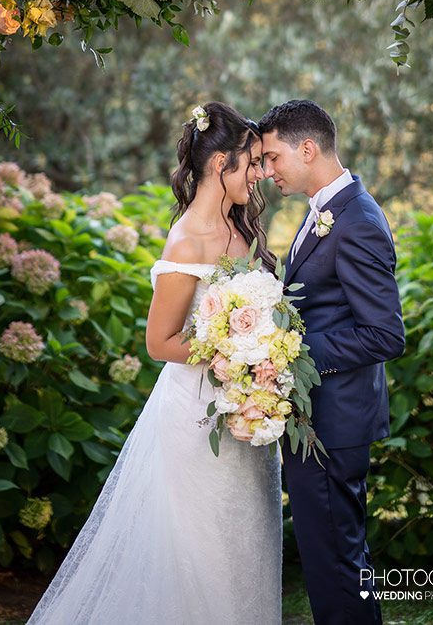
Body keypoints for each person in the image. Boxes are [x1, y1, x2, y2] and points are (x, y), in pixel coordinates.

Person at [26, 102, 281, 625]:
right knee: (200, 553)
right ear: (221, 164)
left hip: (245, 411)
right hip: (196, 419)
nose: (260, 174)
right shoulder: (186, 240)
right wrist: (232, 351)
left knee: (245, 542)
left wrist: (265, 357)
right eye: (253, 162)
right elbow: (159, 342)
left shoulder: (241, 227)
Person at [258, 99, 406, 625]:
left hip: (333, 422)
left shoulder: (357, 220)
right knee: (333, 558)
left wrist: (290, 354)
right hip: (318, 417)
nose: (267, 170)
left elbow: (385, 334)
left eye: (273, 158)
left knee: (337, 562)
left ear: (307, 148)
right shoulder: (325, 210)